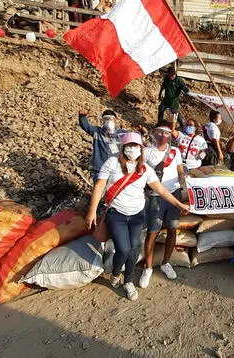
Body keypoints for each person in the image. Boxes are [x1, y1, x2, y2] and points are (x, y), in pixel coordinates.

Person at [85, 132, 189, 301]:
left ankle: (128, 282)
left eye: (136, 146)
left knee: (134, 248)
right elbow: (99, 186)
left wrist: (180, 204)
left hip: (137, 215)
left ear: (141, 149)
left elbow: (161, 190)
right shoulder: (112, 163)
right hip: (116, 214)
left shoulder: (145, 169)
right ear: (123, 148)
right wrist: (92, 210)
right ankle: (116, 272)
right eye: (129, 146)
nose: (132, 149)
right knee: (124, 248)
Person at [139, 124, 186, 288]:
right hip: (155, 196)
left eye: (167, 132)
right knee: (152, 232)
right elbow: (140, 172)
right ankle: (148, 267)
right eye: (160, 132)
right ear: (154, 133)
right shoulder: (147, 152)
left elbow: (180, 169)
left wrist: (183, 179)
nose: (164, 135)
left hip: (174, 194)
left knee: (173, 229)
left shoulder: (175, 151)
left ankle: (166, 262)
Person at [78, 109, 126, 183]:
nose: (108, 121)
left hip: (117, 171)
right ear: (102, 121)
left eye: (111, 119)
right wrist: (82, 116)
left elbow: (135, 139)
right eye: (106, 119)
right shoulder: (97, 132)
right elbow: (85, 126)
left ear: (116, 121)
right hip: (100, 170)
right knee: (100, 192)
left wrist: (142, 133)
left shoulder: (122, 134)